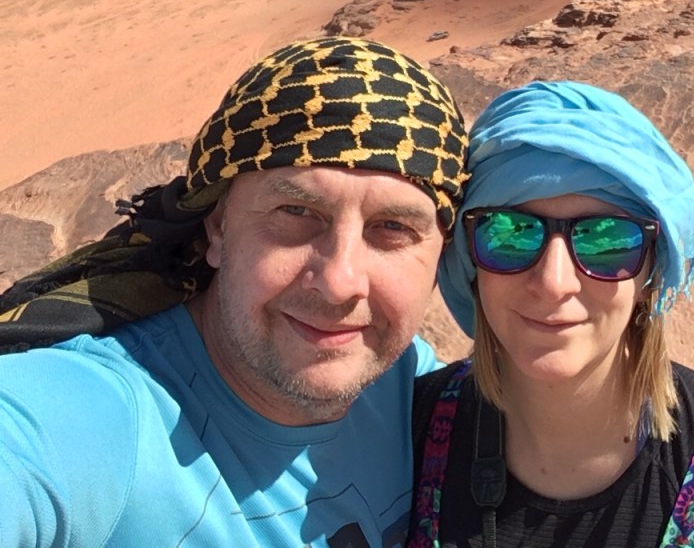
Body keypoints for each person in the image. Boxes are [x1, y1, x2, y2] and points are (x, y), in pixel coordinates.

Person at [0, 36, 469, 547]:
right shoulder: (91, 418)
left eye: (394, 228)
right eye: (296, 212)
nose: (339, 283)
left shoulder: (414, 389)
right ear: (219, 229)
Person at [408, 81, 694, 548]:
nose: (554, 282)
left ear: (650, 273)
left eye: (607, 240)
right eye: (511, 234)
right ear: (469, 259)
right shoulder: (405, 438)